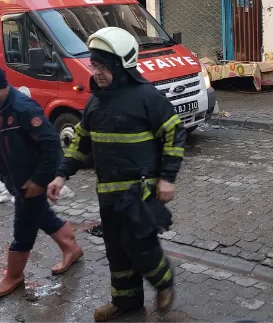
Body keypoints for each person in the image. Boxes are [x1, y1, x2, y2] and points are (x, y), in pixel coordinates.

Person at [46, 27, 185, 322]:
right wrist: (61, 176)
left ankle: (164, 283)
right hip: (108, 193)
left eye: (102, 66)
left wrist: (168, 178)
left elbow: (174, 131)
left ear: (121, 65)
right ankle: (127, 302)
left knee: (140, 245)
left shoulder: (147, 97)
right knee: (116, 250)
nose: (96, 72)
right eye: (94, 65)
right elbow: (81, 140)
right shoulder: (97, 101)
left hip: (140, 191)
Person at [0, 64, 83, 299]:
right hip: (14, 177)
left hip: (31, 181)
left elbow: (51, 144)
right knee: (40, 213)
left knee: (23, 226)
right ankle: (71, 247)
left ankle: (13, 275)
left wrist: (39, 180)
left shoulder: (22, 108)